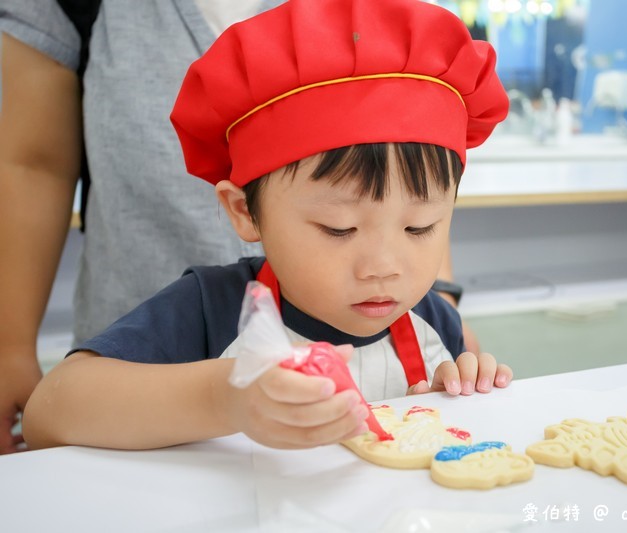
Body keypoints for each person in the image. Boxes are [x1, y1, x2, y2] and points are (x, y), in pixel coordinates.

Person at [22, 0, 511, 451]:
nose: (383, 268)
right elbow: (50, 411)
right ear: (244, 212)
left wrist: (467, 384)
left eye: (419, 227)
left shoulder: (433, 321)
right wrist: (226, 398)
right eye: (339, 228)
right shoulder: (209, 311)